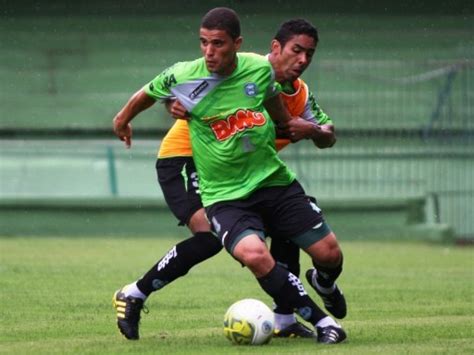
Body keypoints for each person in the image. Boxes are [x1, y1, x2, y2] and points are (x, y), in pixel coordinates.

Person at [113, 8, 346, 344]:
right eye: (297, 50)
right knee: (213, 236)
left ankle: (284, 317)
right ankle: (134, 293)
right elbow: (171, 90)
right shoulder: (237, 64)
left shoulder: (294, 93)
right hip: (185, 158)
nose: (302, 59)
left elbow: (323, 131)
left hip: (254, 176)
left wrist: (310, 130)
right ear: (275, 48)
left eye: (309, 54)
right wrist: (160, 107)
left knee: (285, 229)